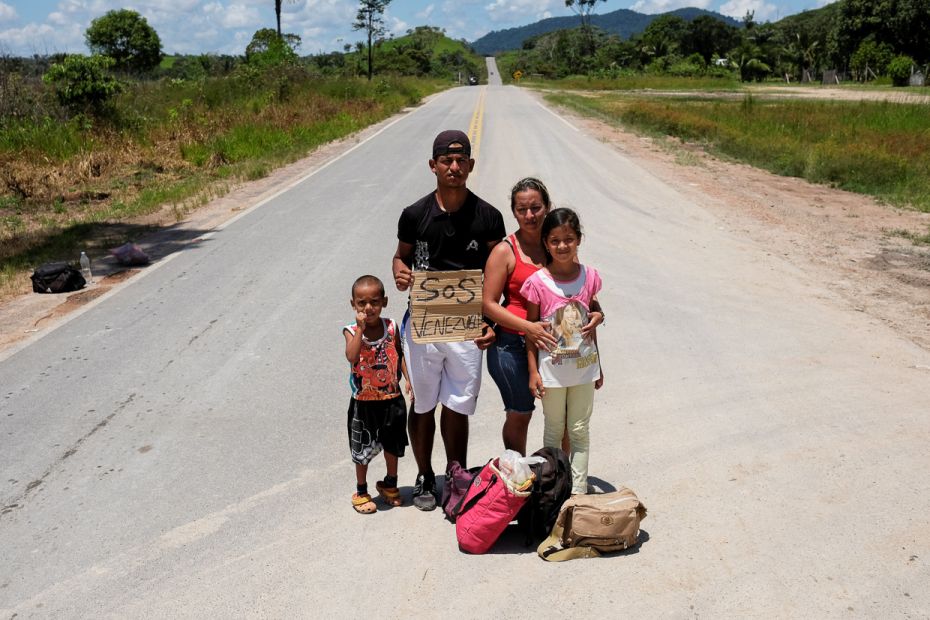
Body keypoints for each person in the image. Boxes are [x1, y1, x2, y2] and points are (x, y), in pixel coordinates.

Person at [392, 129, 505, 511]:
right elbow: (400, 257)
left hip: (467, 327)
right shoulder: (414, 214)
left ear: (471, 165)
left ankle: (455, 475)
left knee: (458, 403)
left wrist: (494, 321)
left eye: (461, 161)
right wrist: (400, 273)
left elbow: (498, 273)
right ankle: (425, 475)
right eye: (446, 161)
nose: (454, 167)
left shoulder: (488, 217)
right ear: (433, 165)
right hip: (424, 324)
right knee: (423, 402)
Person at [522, 208, 604, 495]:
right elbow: (531, 331)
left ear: (578, 239)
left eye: (568, 239)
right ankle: (553, 491)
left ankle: (578, 493)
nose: (562, 246)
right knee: (554, 430)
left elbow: (591, 324)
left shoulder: (590, 277)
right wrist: (533, 370)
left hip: (584, 370)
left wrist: (599, 366)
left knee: (580, 430)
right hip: (551, 373)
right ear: (546, 243)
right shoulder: (538, 283)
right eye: (555, 240)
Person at [482, 178, 560, 455]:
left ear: (548, 207)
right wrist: (529, 327)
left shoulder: (556, 243)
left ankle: (562, 478)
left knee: (560, 414)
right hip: (510, 347)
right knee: (521, 412)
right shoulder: (505, 251)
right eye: (522, 209)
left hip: (553, 345)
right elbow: (489, 304)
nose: (530, 215)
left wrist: (596, 311)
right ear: (513, 212)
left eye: (536, 208)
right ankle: (517, 476)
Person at [343, 275, 411, 514]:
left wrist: (408, 379)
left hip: (391, 399)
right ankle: (361, 491)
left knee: (392, 444)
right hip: (363, 403)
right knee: (361, 447)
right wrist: (360, 330)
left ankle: (390, 484)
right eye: (362, 303)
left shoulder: (391, 326)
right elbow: (351, 356)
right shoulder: (351, 331)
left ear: (384, 301)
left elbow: (400, 356)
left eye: (374, 302)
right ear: (353, 304)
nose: (368, 308)